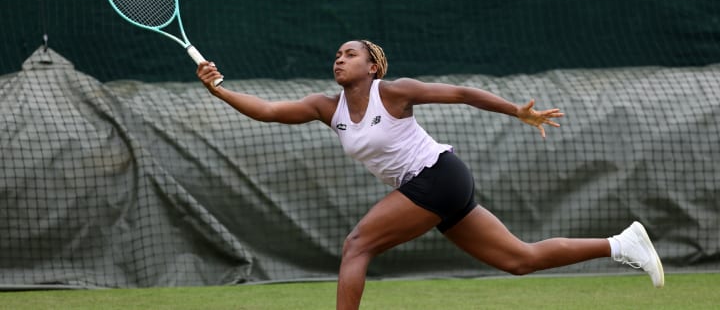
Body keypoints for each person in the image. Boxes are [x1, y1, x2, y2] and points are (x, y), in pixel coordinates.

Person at [197, 39, 664, 310]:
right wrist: (220, 90)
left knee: (357, 244)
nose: (339, 59)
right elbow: (267, 110)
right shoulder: (326, 108)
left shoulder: (394, 92)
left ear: (373, 65)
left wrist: (516, 112)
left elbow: (459, 92)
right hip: (431, 189)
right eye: (336, 55)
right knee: (519, 259)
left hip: (439, 176)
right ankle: (622, 244)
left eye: (350, 54)